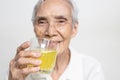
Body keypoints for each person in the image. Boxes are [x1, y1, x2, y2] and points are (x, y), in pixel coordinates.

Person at [9, 0, 104, 80]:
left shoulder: (91, 69)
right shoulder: (20, 69)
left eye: (61, 21)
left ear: (74, 29)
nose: (50, 32)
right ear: (34, 28)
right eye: (42, 22)